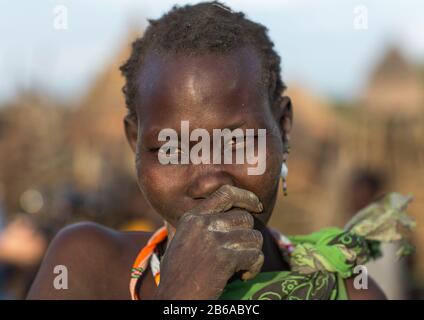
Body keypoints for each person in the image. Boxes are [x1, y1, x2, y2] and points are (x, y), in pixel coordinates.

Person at [27, 1, 413, 300]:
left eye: (239, 142)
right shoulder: (85, 268)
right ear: (134, 142)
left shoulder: (348, 291)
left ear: (283, 128)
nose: (210, 177)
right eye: (172, 147)